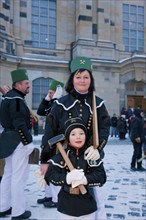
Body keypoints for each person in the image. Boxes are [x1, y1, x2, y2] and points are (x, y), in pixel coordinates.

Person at [40, 56, 110, 219]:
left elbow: (104, 128)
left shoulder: (98, 103)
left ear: (91, 80)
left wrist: (97, 148)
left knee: (97, 200)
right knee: (65, 201)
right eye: (78, 77)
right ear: (72, 79)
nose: (82, 80)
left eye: (86, 77)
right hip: (65, 158)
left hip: (90, 159)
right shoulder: (60, 104)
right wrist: (44, 160)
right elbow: (49, 132)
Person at [45, 117, 107, 219]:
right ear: (68, 138)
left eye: (81, 133)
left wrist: (85, 179)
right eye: (73, 134)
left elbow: (101, 177)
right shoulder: (61, 156)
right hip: (65, 206)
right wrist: (67, 178)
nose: (78, 137)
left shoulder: (90, 155)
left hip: (87, 206)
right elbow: (50, 176)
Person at [0, 69, 34, 219]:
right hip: (18, 141)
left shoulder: (7, 97)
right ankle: (18, 211)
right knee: (18, 177)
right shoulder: (18, 100)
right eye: (26, 83)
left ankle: (3, 207)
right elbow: (19, 123)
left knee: (8, 174)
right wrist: (27, 142)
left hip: (7, 139)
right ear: (17, 84)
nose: (29, 86)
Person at [37, 79, 64, 208]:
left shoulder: (60, 104)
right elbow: (41, 111)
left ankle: (57, 198)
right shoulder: (52, 103)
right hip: (48, 140)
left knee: (54, 169)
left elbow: (55, 114)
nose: (50, 94)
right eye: (49, 93)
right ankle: (48, 195)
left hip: (56, 141)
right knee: (45, 171)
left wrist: (55, 100)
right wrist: (47, 99)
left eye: (52, 92)